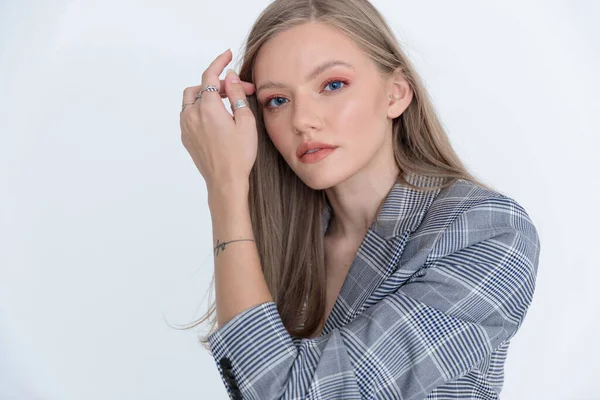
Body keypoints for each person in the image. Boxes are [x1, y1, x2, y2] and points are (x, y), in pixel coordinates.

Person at [178, 0, 541, 398]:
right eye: (277, 101)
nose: (302, 120)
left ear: (396, 94)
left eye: (332, 85)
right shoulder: (285, 242)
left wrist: (226, 186)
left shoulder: (485, 230)